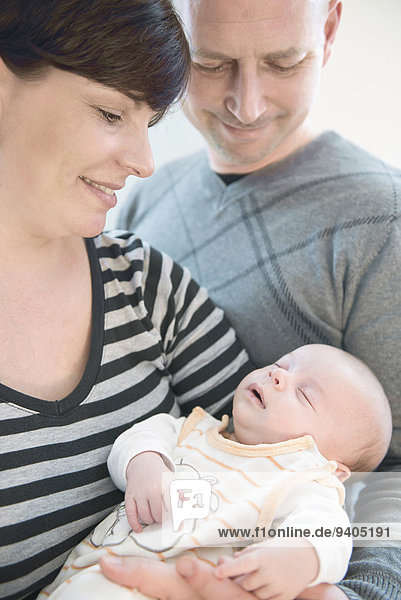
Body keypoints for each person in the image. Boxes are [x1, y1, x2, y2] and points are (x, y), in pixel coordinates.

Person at [114, 0, 401, 599]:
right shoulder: (140, 198)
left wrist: (348, 596)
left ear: (327, 31)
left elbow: (392, 485)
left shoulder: (382, 222)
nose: (247, 104)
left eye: (283, 61)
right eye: (211, 62)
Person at [0, 2, 253, 600]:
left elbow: (299, 472)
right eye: (112, 113)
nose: (143, 163)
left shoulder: (146, 284)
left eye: (150, 123)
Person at [38, 344, 392, 600]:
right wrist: (144, 464)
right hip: (83, 578)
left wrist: (297, 558)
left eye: (306, 395)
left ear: (333, 469)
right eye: (283, 363)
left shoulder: (302, 479)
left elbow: (329, 529)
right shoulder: (193, 430)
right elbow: (141, 436)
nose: (279, 376)